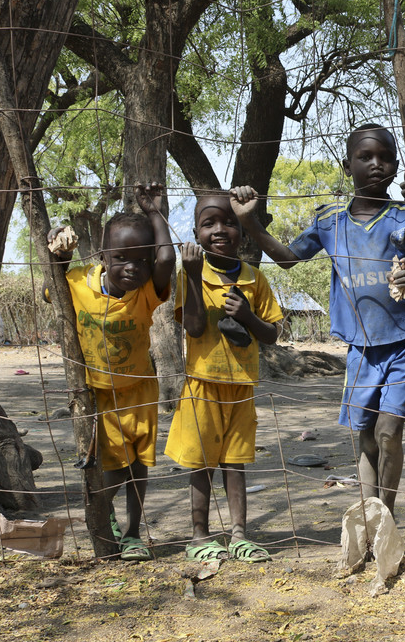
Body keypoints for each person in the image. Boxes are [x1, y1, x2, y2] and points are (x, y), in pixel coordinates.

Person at [232, 124, 405, 514]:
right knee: (366, 436)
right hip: (359, 349)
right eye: (365, 157)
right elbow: (287, 258)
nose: (376, 165)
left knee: (388, 433)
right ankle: (371, 516)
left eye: (385, 158)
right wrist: (250, 223)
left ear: (397, 164)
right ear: (347, 166)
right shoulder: (330, 221)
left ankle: (387, 512)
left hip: (404, 343)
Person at [46, 182, 175, 561]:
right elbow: (48, 289)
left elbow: (167, 259)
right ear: (102, 255)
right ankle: (104, 518)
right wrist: (57, 251)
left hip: (139, 390)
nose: (132, 267)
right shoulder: (77, 283)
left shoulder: (148, 290)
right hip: (96, 395)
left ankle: (134, 533)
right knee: (110, 468)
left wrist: (155, 212)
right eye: (121, 258)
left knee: (138, 466)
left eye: (141, 258)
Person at [166, 191, 284, 562]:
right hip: (202, 382)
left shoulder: (255, 278)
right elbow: (196, 328)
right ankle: (199, 535)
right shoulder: (190, 275)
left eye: (229, 222)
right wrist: (193, 276)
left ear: (242, 231)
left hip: (242, 385)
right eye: (209, 223)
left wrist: (248, 316)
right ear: (196, 234)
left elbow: (272, 333)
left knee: (236, 461)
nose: (220, 230)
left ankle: (238, 534)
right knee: (201, 463)